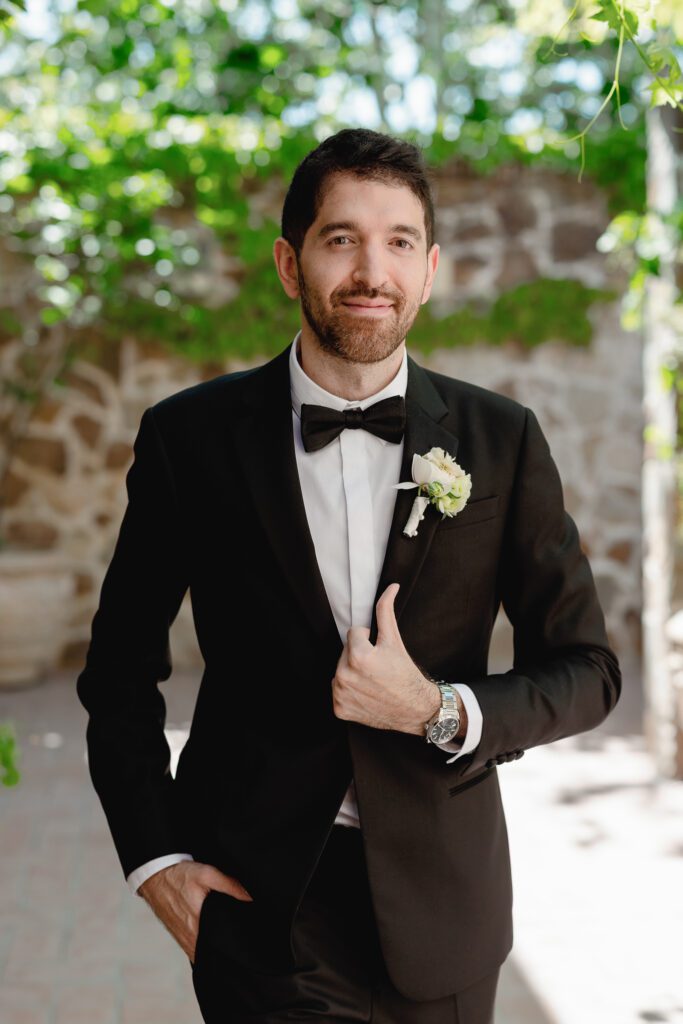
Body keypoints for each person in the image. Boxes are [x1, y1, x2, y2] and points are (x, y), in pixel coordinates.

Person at [76, 127, 622, 1023]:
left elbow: (587, 671)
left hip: (445, 907)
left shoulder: (502, 439)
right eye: (341, 239)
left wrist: (437, 709)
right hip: (256, 905)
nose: (373, 271)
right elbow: (118, 673)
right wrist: (156, 860)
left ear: (430, 269)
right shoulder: (189, 439)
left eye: (399, 241)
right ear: (289, 265)